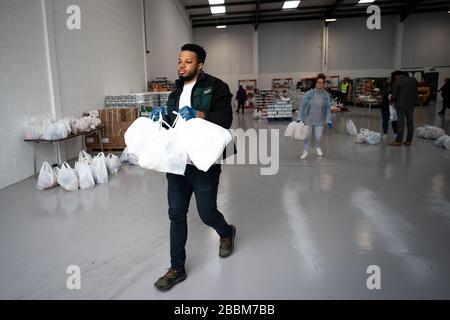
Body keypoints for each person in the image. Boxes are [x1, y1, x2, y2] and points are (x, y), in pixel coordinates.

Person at [152, 44, 236, 291]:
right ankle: (176, 268)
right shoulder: (175, 91)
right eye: (179, 61)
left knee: (206, 213)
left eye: (187, 62)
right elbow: (172, 122)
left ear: (200, 65)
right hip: (178, 162)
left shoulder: (217, 86)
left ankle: (226, 232)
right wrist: (161, 117)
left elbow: (225, 119)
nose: (182, 66)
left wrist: (198, 112)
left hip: (204, 162)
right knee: (176, 213)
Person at [297, 73, 333, 159]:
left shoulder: (325, 95)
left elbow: (328, 108)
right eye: (318, 82)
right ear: (316, 83)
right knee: (307, 136)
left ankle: (317, 147)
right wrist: (299, 118)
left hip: (319, 120)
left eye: (322, 82)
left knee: (318, 136)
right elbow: (302, 106)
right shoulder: (309, 94)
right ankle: (305, 151)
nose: (320, 84)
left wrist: (328, 120)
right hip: (308, 119)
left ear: (324, 84)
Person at [388, 71, 420, 147]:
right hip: (411, 103)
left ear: (397, 75)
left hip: (400, 104)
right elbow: (415, 91)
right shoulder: (413, 80)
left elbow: (394, 94)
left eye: (395, 76)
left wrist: (391, 101)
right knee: (410, 121)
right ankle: (408, 141)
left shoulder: (398, 81)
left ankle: (398, 141)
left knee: (401, 122)